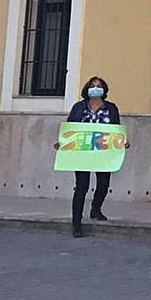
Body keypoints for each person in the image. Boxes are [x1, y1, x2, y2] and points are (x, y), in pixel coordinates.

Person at [58, 77, 126, 238]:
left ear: (104, 89)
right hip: (82, 154)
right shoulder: (78, 108)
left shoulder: (111, 108)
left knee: (103, 184)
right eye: (93, 86)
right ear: (87, 89)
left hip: (104, 153)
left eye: (99, 86)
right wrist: (62, 143)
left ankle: (96, 208)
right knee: (81, 186)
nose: (95, 88)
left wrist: (122, 142)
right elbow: (70, 128)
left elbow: (116, 129)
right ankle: (76, 223)